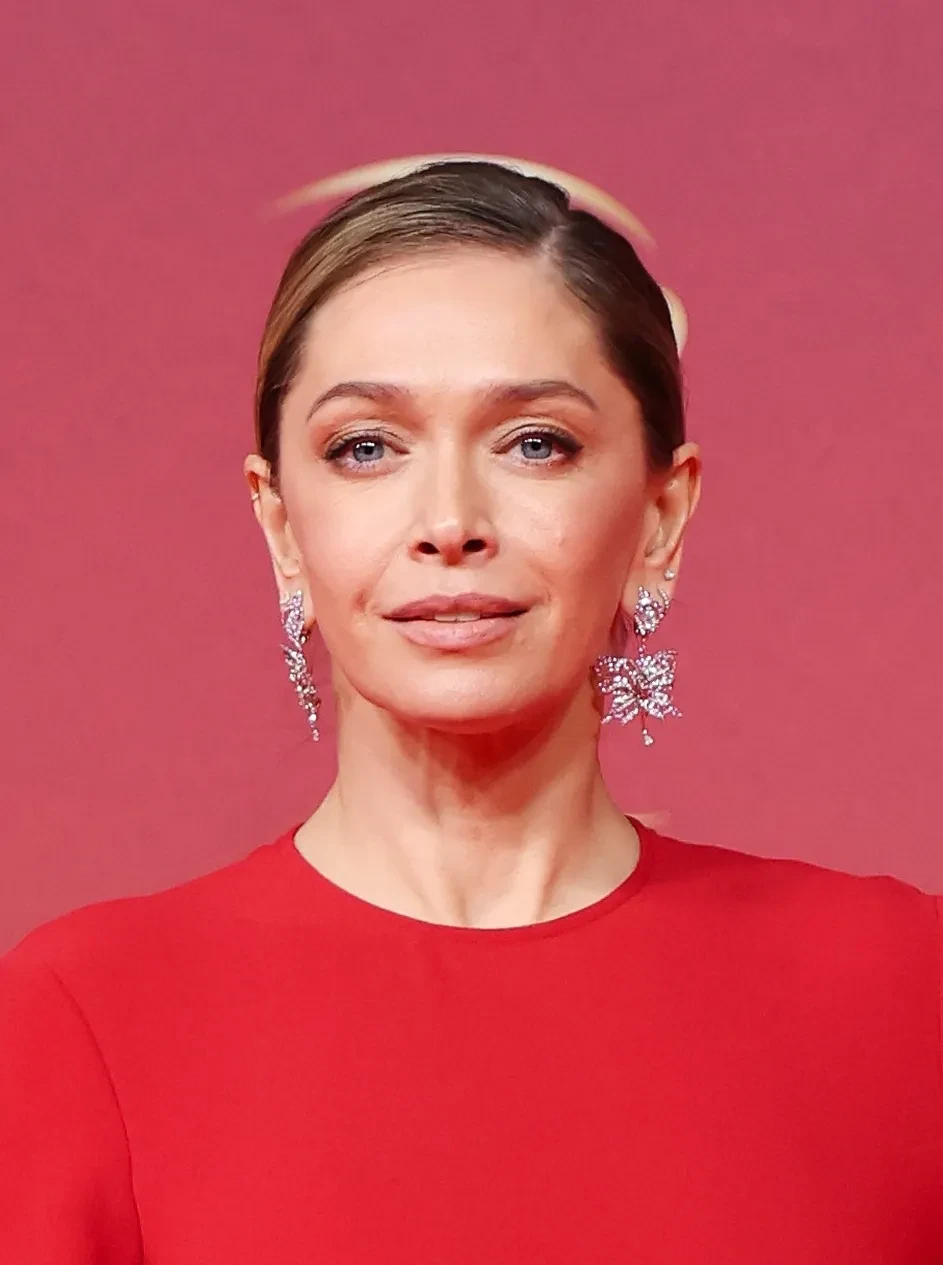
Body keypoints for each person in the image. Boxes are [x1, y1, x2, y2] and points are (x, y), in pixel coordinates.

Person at [1, 159, 941, 1263]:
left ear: (660, 515)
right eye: (366, 447)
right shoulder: (83, 1014)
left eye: (535, 442)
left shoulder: (899, 990)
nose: (449, 520)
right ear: (281, 524)